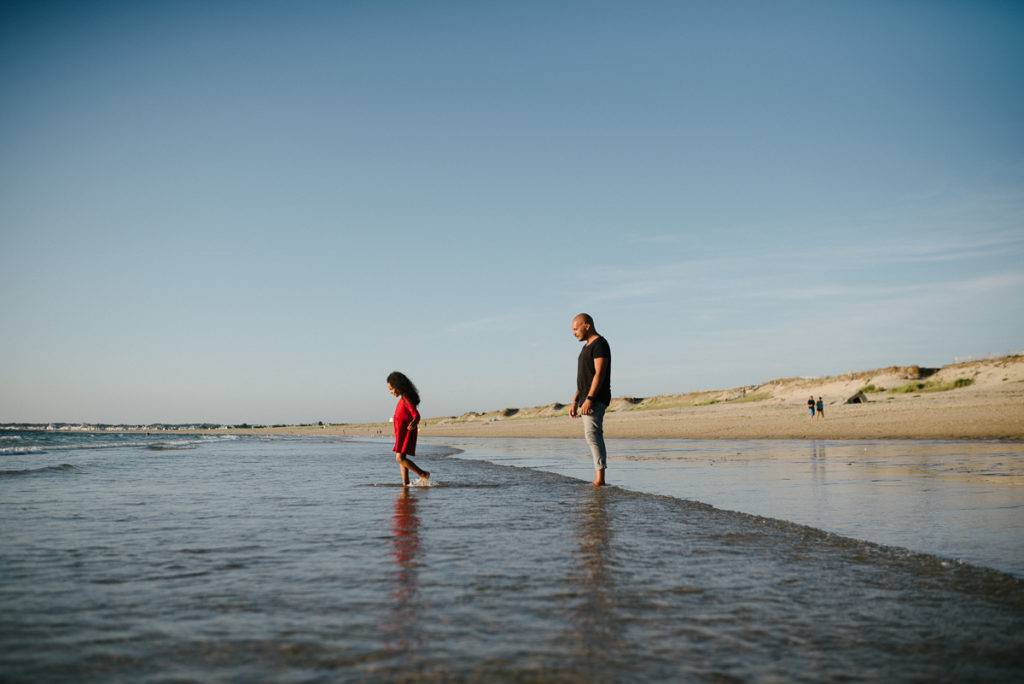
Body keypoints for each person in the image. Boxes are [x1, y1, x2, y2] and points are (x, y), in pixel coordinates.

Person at [569, 313, 611, 487]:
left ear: (586, 325)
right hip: (585, 398)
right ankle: (598, 476)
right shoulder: (586, 347)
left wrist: (590, 398)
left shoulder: (600, 344)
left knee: (593, 435)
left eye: (575, 328)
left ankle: (600, 479)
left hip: (595, 398)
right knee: (591, 435)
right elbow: (583, 377)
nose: (573, 333)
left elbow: (599, 374)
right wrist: (575, 400)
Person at [387, 371, 430, 486]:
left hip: (407, 432)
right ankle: (405, 483)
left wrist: (415, 422)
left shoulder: (406, 398)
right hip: (401, 433)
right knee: (402, 459)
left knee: (399, 458)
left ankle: (423, 474)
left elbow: (416, 415)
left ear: (398, 386)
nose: (390, 392)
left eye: (391, 389)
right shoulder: (403, 398)